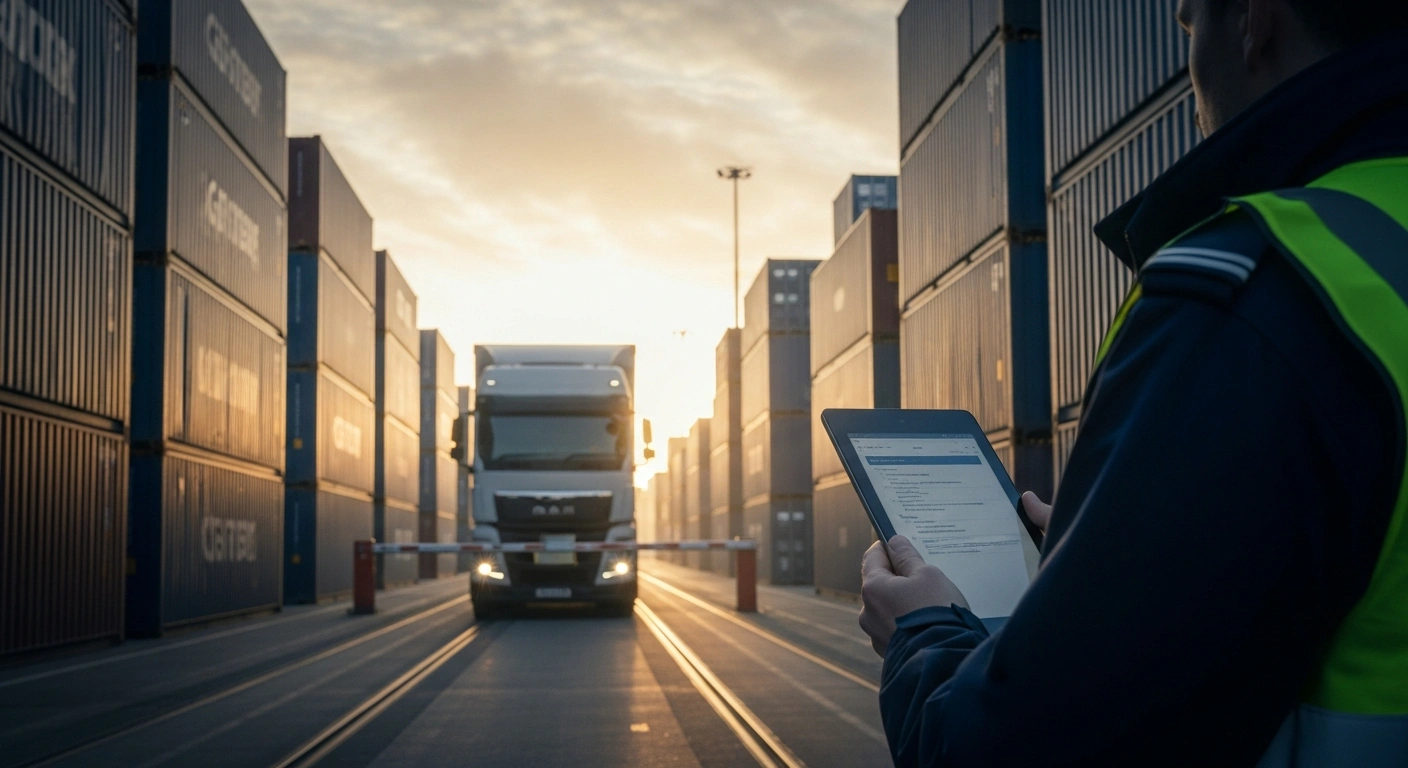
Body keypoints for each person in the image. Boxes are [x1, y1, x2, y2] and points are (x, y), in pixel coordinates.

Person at [858, 1, 1408, 765]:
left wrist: (923, 633)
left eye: (1188, 23)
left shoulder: (1258, 297)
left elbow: (1018, 748)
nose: (1189, 75)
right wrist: (1114, 549)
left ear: (1254, 19)